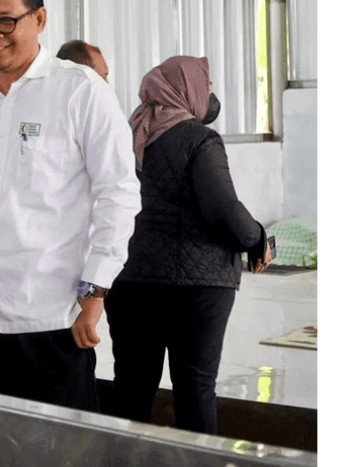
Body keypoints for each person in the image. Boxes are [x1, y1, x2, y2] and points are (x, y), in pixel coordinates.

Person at [0, 0, 141, 411]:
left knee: (57, 454)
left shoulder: (79, 90)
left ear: (40, 19)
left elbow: (118, 192)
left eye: (6, 20)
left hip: (47, 319)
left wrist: (95, 289)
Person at [106, 56, 273, 434]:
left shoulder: (126, 133)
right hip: (195, 290)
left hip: (129, 282)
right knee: (194, 388)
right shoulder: (198, 138)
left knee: (132, 387)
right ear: (186, 89)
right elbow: (223, 208)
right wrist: (257, 239)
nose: (210, 94)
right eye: (207, 85)